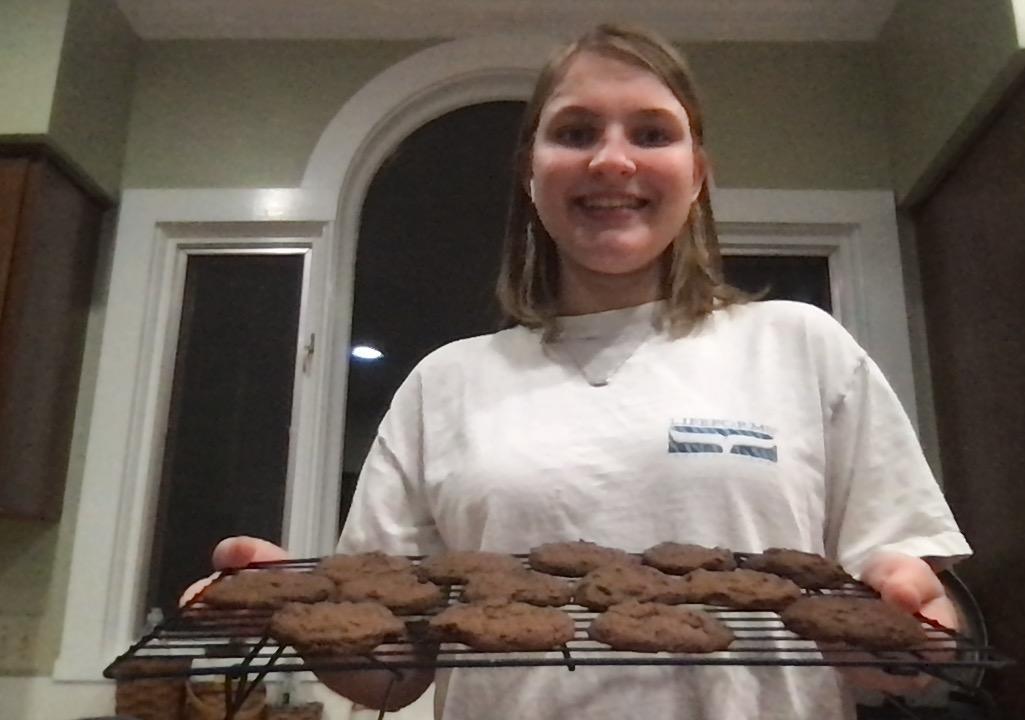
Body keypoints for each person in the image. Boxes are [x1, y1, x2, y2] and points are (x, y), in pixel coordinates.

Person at [203, 23, 971, 720]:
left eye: (652, 132)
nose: (611, 159)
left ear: (697, 173)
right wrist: (292, 613)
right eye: (575, 132)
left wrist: (911, 628)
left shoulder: (802, 346)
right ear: (530, 173)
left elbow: (913, 618)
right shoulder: (445, 384)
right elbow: (393, 674)